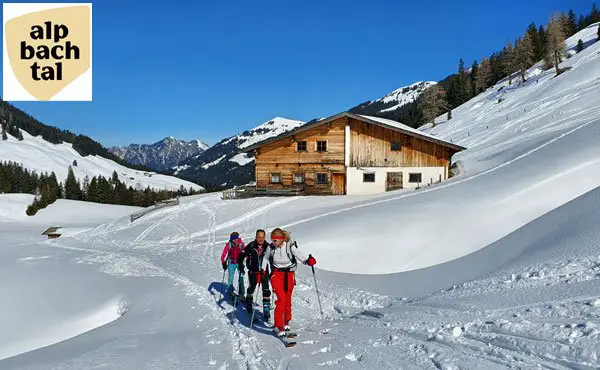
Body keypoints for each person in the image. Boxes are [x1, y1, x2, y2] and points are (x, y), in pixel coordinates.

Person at [261, 228, 316, 337]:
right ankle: (278, 325)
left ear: (281, 239)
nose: (273, 242)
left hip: (289, 275)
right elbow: (265, 259)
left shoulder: (290, 246)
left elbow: (301, 257)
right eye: (272, 240)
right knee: (281, 299)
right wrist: (263, 270)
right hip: (276, 274)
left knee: (287, 299)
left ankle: (286, 321)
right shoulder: (270, 247)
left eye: (275, 240)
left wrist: (308, 261)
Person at [237, 229, 272, 321]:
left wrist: (274, 271)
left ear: (265, 237)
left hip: (264, 272)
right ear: (256, 237)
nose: (260, 239)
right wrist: (241, 265)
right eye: (259, 237)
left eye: (262, 237)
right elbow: (241, 256)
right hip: (253, 271)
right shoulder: (251, 246)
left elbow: (272, 259)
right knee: (251, 288)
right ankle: (249, 304)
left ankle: (266, 310)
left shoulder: (268, 247)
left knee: (266, 290)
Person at [220, 231, 246, 300]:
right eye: (234, 239)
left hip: (239, 263)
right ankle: (229, 293)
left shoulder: (241, 244)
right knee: (230, 278)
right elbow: (224, 254)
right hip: (231, 263)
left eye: (236, 238)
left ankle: (241, 294)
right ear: (231, 239)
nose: (235, 240)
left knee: (241, 278)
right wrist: (223, 262)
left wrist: (246, 261)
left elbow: (245, 253)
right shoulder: (229, 244)